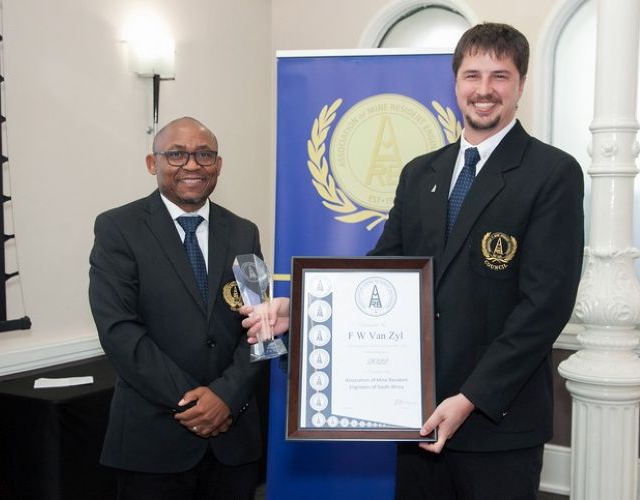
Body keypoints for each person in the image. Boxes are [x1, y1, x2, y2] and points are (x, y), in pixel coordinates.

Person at [247, 22, 584, 500]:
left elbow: (544, 308)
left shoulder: (552, 173)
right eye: (472, 75)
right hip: (414, 413)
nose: (484, 90)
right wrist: (299, 310)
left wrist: (470, 398)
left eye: (500, 76)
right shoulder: (420, 172)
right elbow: (381, 276)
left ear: (521, 84)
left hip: (497, 421)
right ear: (456, 82)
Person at [89, 116, 267, 500]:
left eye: (204, 154)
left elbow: (262, 328)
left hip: (233, 439)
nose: (192, 165)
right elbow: (119, 331)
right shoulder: (118, 228)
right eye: (176, 154)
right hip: (152, 441)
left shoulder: (244, 232)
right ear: (152, 163)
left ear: (218, 165)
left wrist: (226, 397)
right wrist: (196, 402)